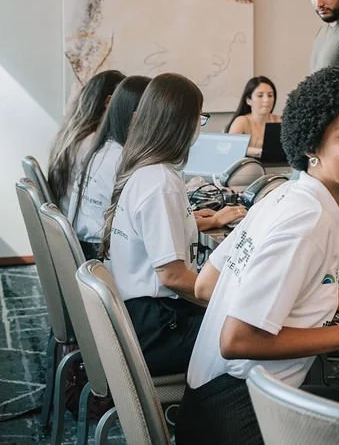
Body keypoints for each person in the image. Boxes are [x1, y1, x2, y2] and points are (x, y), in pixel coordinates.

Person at [176, 67, 339, 445]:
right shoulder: (308, 219)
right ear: (310, 146)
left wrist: (320, 298)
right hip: (238, 418)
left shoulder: (283, 196)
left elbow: (207, 286)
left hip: (207, 407)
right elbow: (236, 340)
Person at [100, 73, 247, 376]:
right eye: (200, 118)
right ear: (183, 123)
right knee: (253, 336)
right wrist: (232, 298)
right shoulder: (161, 183)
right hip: (158, 329)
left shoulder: (145, 171)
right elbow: (172, 276)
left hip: (139, 319)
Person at [67, 75, 151, 260]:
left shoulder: (102, 149)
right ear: (136, 115)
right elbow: (147, 224)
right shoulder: (121, 159)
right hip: (104, 256)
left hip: (85, 251)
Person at [48, 69, 125, 214]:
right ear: (108, 102)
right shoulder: (95, 145)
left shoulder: (71, 135)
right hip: (80, 222)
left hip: (67, 218)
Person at [226, 76, 282, 157]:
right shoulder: (241, 121)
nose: (266, 100)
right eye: (260, 96)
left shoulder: (281, 121)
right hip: (249, 164)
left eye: (270, 95)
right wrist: (260, 152)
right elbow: (231, 147)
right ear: (249, 100)